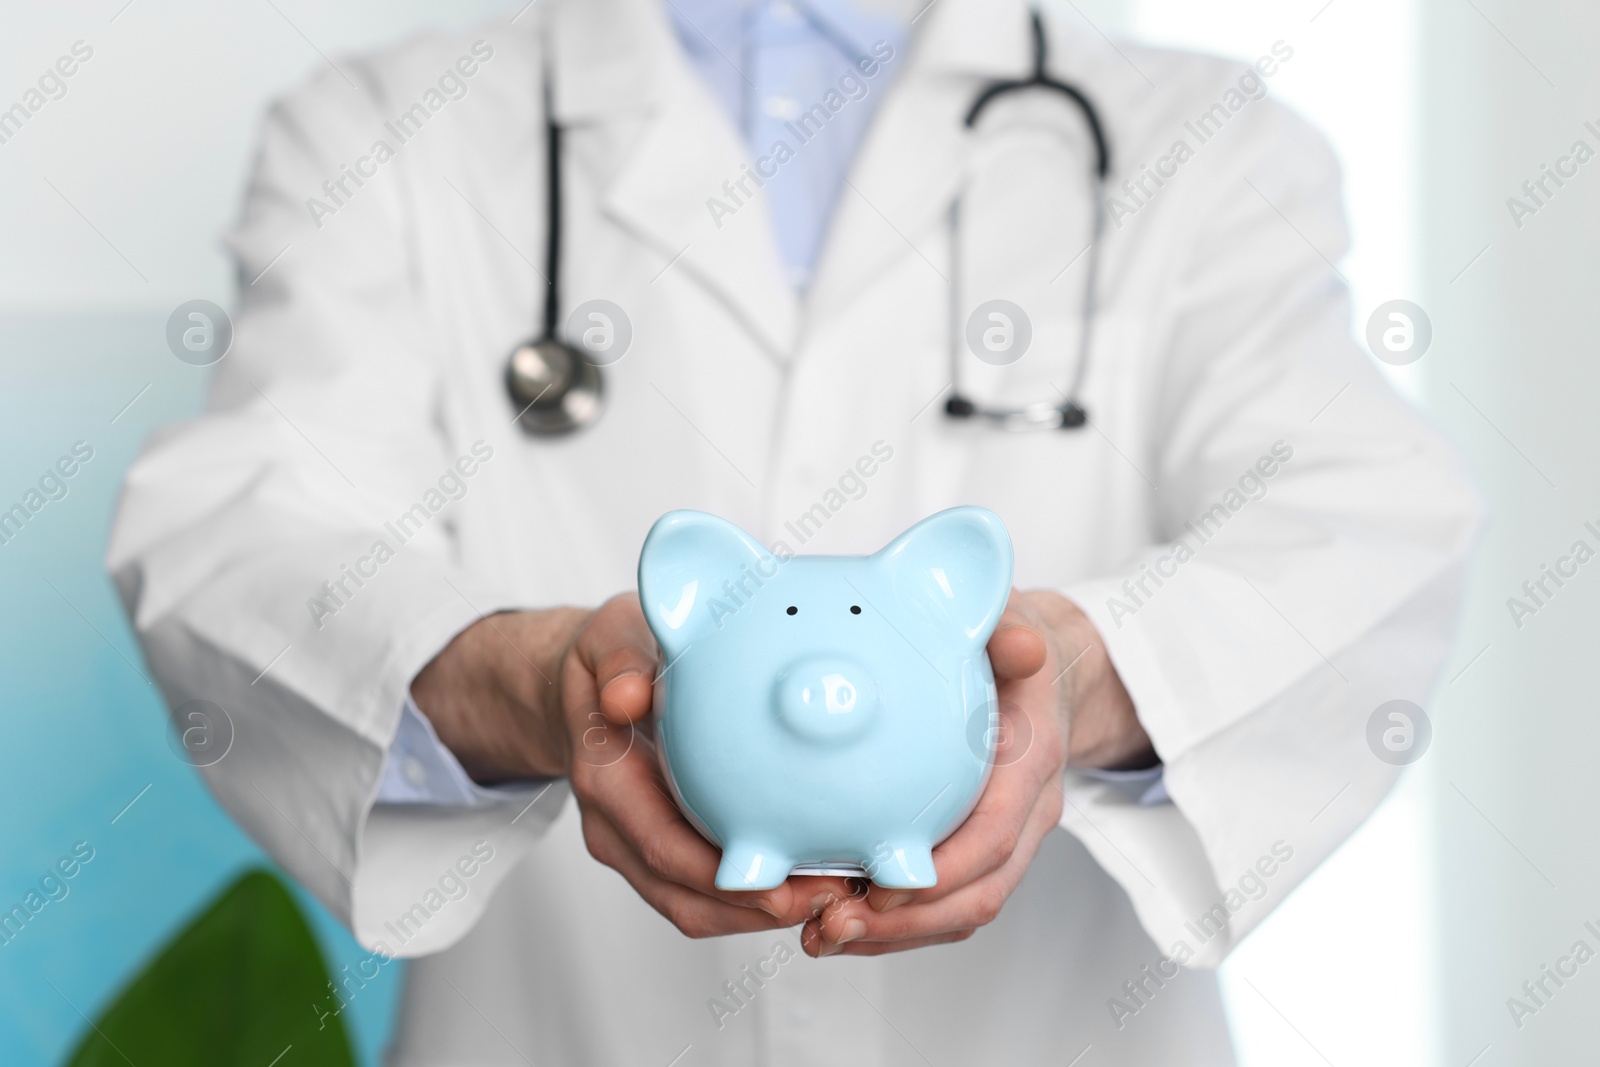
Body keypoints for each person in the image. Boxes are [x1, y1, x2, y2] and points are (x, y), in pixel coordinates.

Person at [107, 0, 1481, 1063]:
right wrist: (533, 686)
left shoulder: (1204, 141)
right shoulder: (382, 136)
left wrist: (1075, 675)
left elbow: (1361, 520)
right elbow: (240, 539)